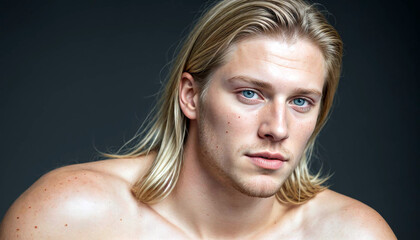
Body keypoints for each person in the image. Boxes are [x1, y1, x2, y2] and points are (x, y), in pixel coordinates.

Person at [0, 0, 396, 239]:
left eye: (301, 102)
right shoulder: (69, 216)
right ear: (191, 95)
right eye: (250, 93)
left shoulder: (351, 233)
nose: (277, 128)